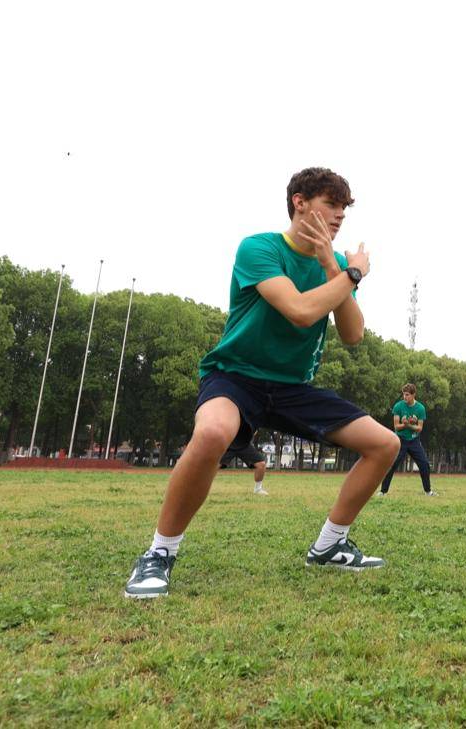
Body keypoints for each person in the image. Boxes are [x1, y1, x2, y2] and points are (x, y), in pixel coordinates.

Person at [124, 167, 401, 599]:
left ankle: (330, 546)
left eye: (344, 210)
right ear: (299, 202)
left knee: (385, 444)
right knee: (213, 432)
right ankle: (159, 553)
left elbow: (353, 334)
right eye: (331, 204)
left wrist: (334, 267)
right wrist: (351, 276)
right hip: (235, 376)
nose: (339, 216)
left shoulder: (334, 265)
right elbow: (300, 311)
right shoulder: (259, 248)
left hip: (292, 387)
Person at [379, 383, 436, 496]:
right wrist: (405, 424)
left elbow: (419, 428)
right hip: (400, 440)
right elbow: (396, 427)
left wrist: (408, 425)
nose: (405, 397)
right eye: (404, 394)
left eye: (407, 395)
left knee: (424, 465)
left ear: (413, 395)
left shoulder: (420, 408)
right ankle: (383, 492)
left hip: (414, 441)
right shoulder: (398, 406)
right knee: (391, 465)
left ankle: (428, 491)